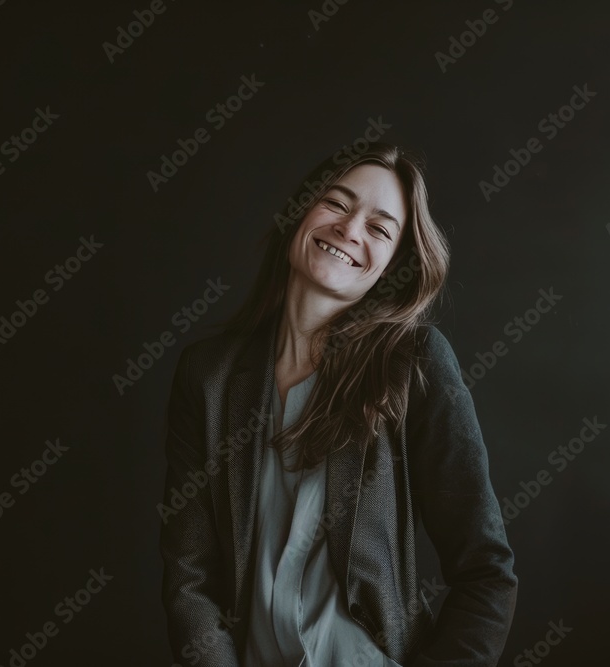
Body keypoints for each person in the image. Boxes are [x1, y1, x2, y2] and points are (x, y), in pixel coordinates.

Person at [159, 142, 517, 666]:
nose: (350, 229)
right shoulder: (207, 374)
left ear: (393, 265)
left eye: (379, 229)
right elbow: (189, 576)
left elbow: (486, 571)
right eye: (336, 203)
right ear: (300, 213)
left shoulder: (413, 362)